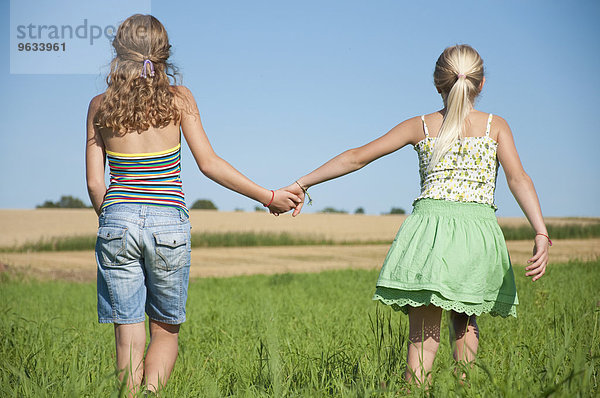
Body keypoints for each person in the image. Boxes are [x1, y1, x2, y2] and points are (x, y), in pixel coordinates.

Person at [282, 44, 550, 385]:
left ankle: (416, 389)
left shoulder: (420, 126)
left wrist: (302, 183)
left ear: (438, 82)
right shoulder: (495, 126)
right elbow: (518, 178)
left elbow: (357, 157)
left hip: (429, 234)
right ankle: (462, 388)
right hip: (477, 234)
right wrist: (540, 231)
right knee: (464, 320)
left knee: (423, 335)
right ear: (480, 85)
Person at [85, 14, 300, 395]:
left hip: (116, 221)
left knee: (127, 336)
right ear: (164, 53)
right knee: (165, 331)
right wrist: (269, 196)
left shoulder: (99, 106)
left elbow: (94, 182)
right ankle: (152, 393)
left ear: (118, 53)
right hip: (169, 225)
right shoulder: (180, 99)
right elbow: (210, 164)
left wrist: (115, 219)